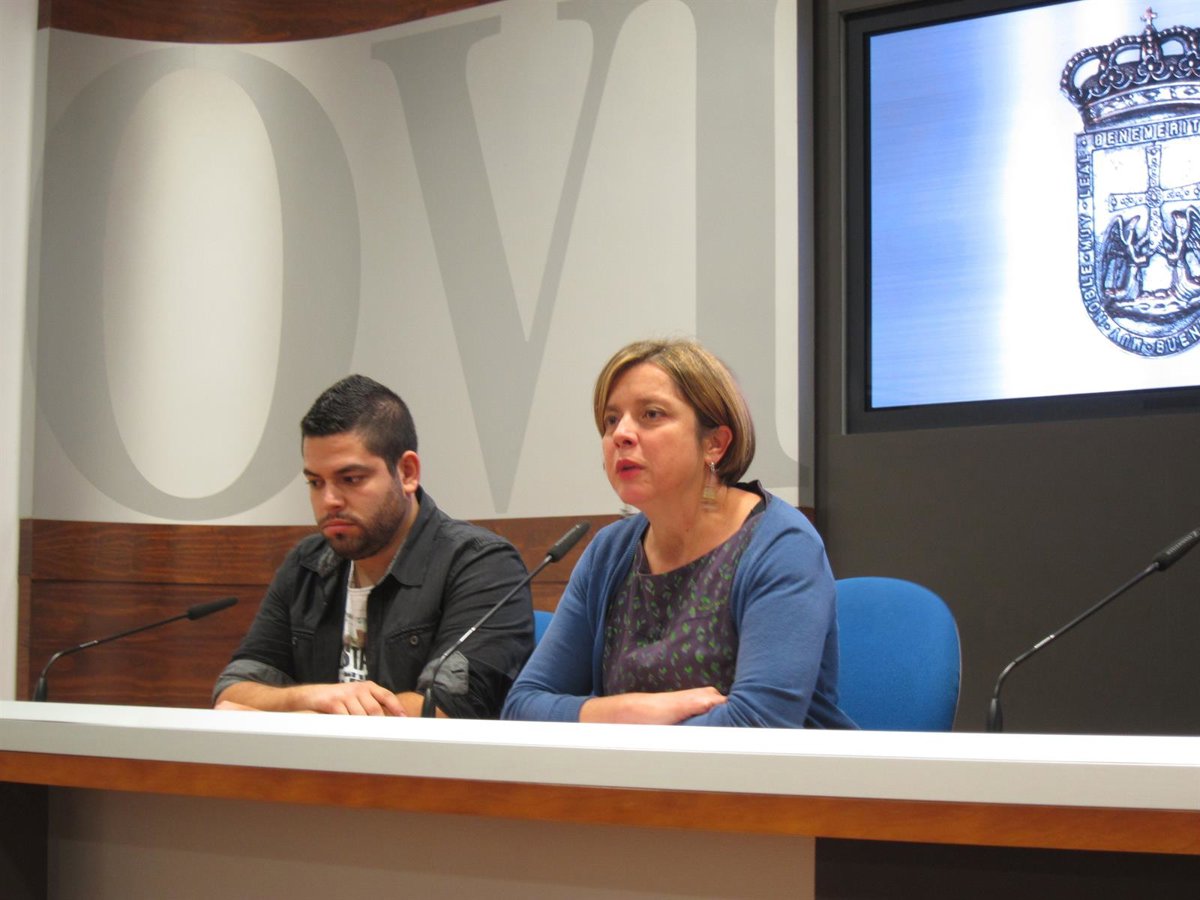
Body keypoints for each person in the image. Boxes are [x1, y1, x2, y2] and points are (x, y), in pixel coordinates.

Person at [502, 339, 855, 727]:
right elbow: (522, 707)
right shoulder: (609, 552)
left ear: (715, 444)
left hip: (767, 769)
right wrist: (629, 710)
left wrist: (608, 725)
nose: (621, 434)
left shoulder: (781, 546)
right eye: (611, 420)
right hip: (635, 768)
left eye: (651, 414)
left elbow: (757, 726)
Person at [213, 375, 534, 717]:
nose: (329, 500)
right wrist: (310, 699)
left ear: (407, 472)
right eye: (315, 482)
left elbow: (447, 709)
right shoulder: (306, 564)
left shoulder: (482, 565)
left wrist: (302, 719)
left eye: (351, 479)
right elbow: (233, 689)